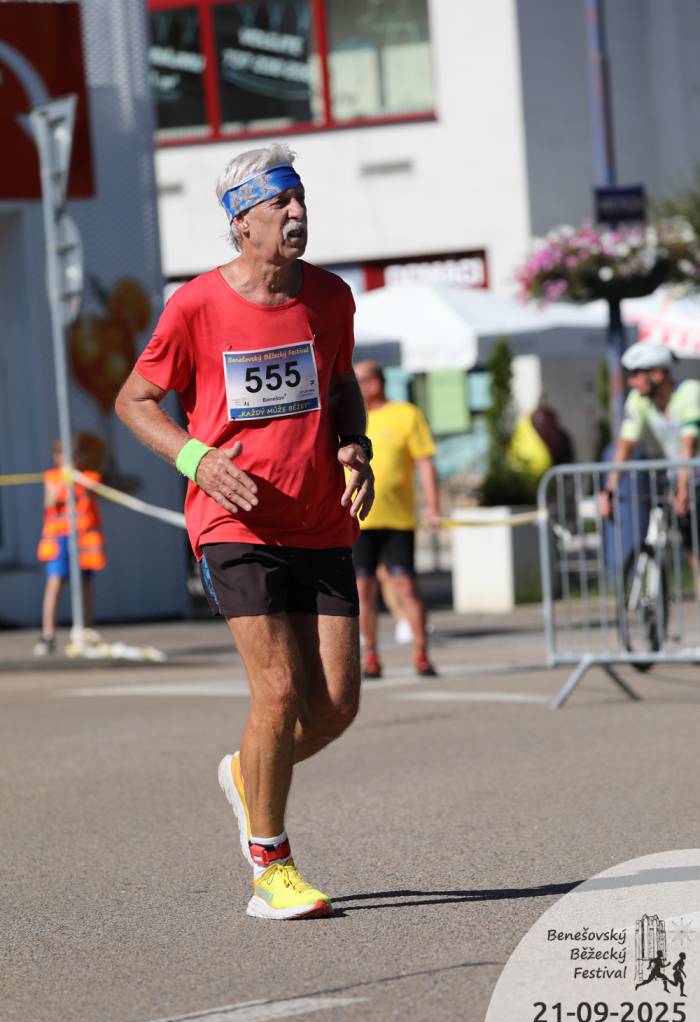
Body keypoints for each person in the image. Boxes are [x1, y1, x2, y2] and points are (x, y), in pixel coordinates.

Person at [115, 144, 374, 921]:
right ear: (242, 223)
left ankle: (244, 773)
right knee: (279, 691)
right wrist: (195, 457)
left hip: (320, 520)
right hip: (234, 521)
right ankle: (271, 866)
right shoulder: (195, 305)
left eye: (300, 198)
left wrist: (355, 445)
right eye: (280, 203)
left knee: (334, 709)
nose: (298, 212)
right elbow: (135, 400)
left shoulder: (330, 296)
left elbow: (340, 384)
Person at [352, 360, 439, 678]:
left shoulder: (406, 414)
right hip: (358, 520)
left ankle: (421, 652)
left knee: (406, 586)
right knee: (363, 589)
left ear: (376, 382)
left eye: (361, 380)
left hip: (397, 519)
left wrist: (433, 506)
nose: (356, 386)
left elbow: (425, 462)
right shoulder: (351, 419)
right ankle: (371, 655)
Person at [599, 342, 700, 593]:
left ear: (657, 373)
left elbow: (689, 445)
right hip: (683, 478)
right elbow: (624, 447)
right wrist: (609, 489)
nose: (630, 382)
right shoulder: (639, 401)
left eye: (636, 374)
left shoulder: (690, 392)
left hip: (690, 478)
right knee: (694, 556)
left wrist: (683, 488)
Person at [33, 436, 106, 656]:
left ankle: (86, 633)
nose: (72, 460)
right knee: (54, 585)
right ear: (57, 457)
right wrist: (65, 480)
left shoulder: (89, 476)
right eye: (67, 455)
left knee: (85, 586)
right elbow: (50, 502)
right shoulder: (52, 477)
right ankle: (48, 635)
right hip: (59, 539)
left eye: (75, 456)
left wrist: (77, 479)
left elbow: (94, 491)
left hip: (83, 540)